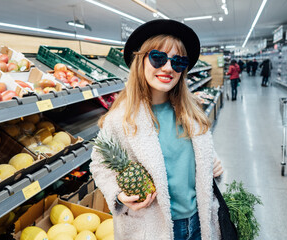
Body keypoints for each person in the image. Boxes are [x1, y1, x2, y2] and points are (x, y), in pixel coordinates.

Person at [90, 19, 223, 240]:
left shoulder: (191, 114)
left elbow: (195, 157)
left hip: (199, 222)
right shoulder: (120, 119)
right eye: (158, 58)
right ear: (141, 61)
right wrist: (118, 194)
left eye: (178, 62)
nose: (168, 68)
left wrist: (214, 163)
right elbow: (99, 165)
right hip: (150, 228)